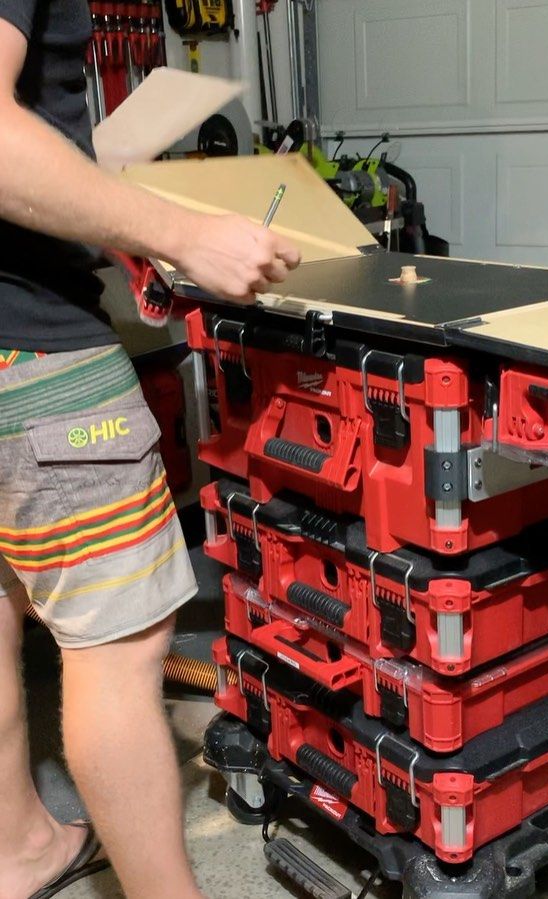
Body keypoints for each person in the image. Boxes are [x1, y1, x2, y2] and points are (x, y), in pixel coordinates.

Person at [0, 2, 301, 897]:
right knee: (120, 654)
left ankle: (20, 848)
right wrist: (181, 232)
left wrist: (111, 207)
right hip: (32, 345)